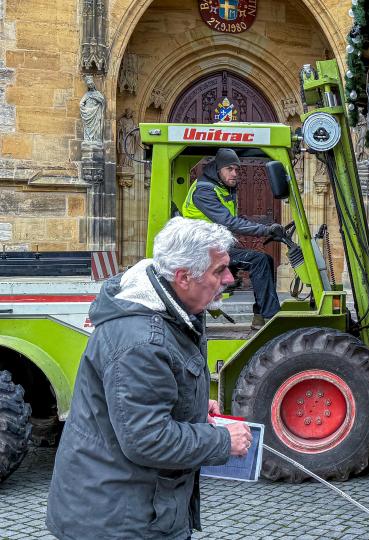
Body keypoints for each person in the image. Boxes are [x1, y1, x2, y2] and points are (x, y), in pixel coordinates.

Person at [46, 217, 253, 540]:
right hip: (118, 520)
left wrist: (193, 407)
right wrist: (223, 441)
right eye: (219, 271)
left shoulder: (171, 312)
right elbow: (147, 439)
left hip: (137, 508)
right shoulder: (142, 340)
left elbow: (148, 401)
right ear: (183, 277)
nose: (229, 279)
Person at [181, 148, 284, 329]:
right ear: (218, 169)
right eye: (230, 169)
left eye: (237, 169)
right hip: (201, 251)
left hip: (213, 248)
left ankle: (260, 317)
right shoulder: (204, 191)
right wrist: (265, 230)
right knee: (259, 260)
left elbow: (231, 221)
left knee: (266, 259)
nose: (235, 173)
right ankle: (271, 318)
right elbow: (229, 222)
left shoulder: (220, 187)